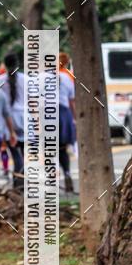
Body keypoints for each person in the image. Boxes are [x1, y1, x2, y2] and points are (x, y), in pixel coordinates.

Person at [0, 52, 27, 191]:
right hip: (24, 119)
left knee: (14, 153)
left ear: (5, 65)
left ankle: (19, 183)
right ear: (17, 64)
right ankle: (21, 182)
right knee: (24, 154)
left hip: (7, 121)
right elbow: (32, 102)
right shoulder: (26, 79)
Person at [58, 51, 76, 193]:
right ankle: (67, 174)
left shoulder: (41, 78)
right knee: (63, 148)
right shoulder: (67, 76)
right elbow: (72, 101)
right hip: (63, 114)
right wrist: (74, 118)